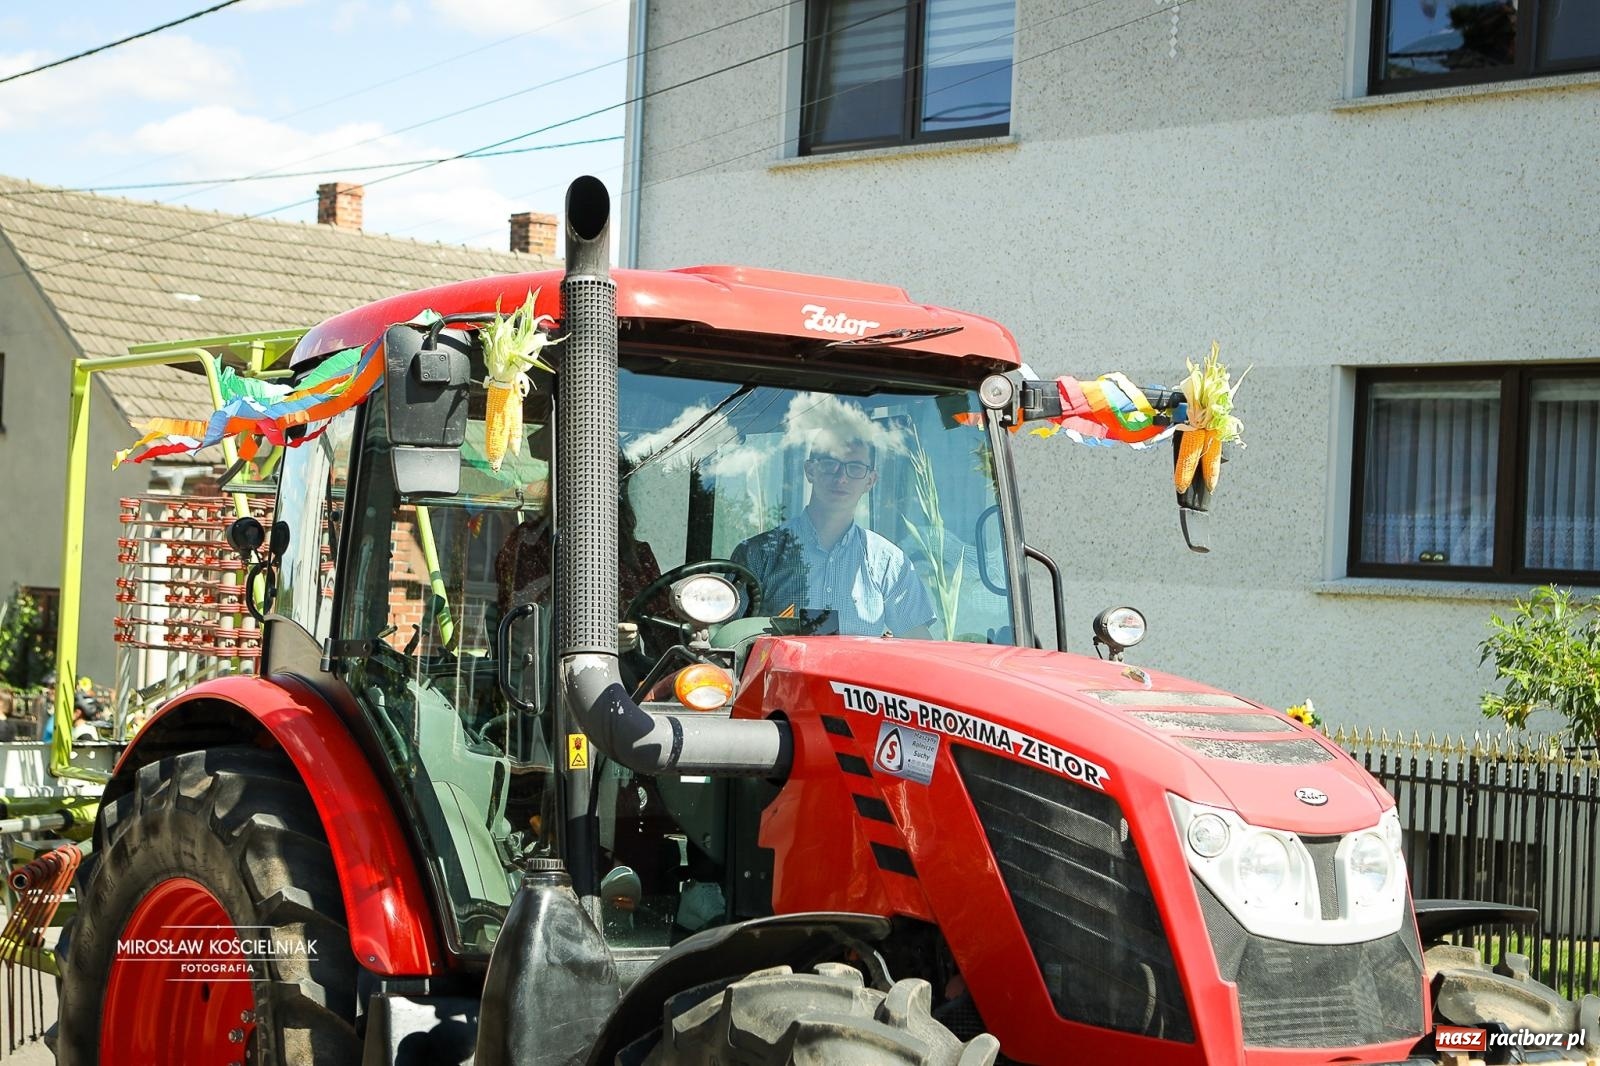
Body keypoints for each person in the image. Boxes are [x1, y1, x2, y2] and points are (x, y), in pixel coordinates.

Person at [732, 431, 935, 638]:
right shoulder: (757, 555)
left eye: (855, 467)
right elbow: (727, 643)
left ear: (870, 481)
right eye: (830, 463)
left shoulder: (889, 563)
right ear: (810, 470)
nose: (841, 478)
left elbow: (920, 646)